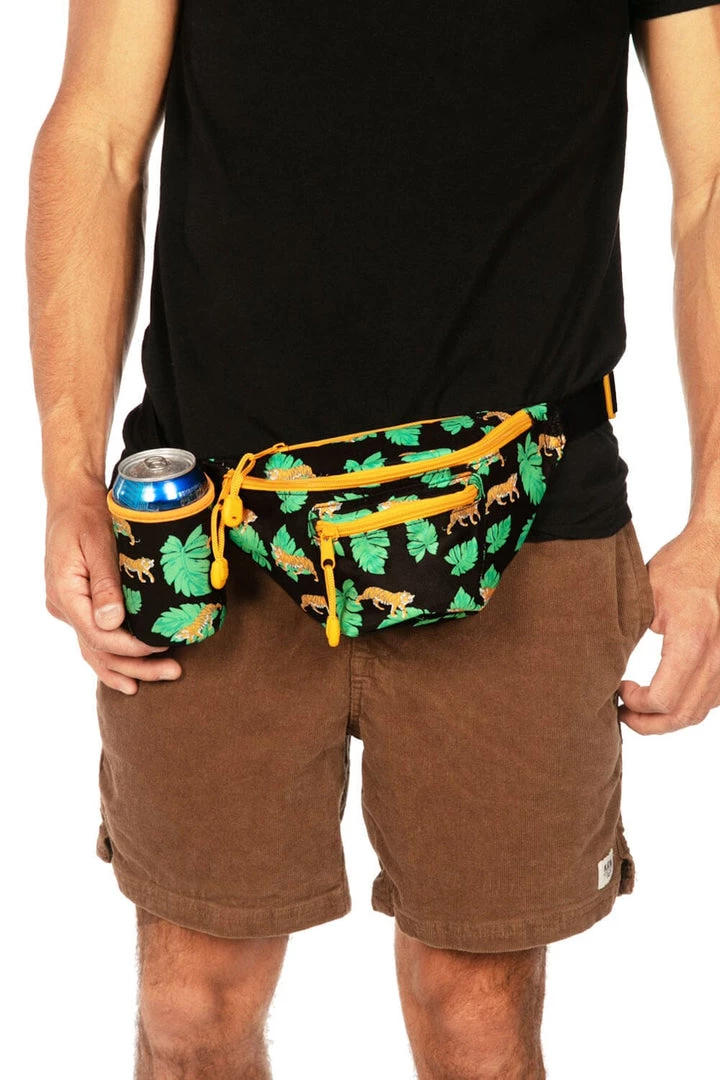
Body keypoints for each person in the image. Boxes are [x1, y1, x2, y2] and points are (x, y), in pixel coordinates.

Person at [26, 0, 720, 1076]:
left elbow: (712, 178)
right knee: (192, 1004)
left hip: (520, 511)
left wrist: (716, 524)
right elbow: (98, 135)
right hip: (219, 527)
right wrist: (67, 474)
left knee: (476, 1013)